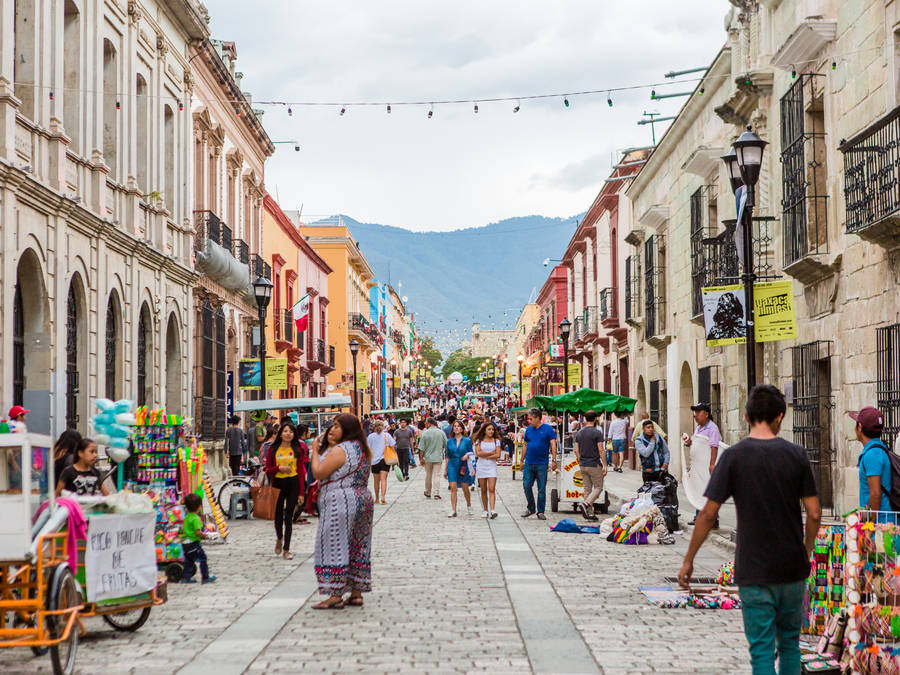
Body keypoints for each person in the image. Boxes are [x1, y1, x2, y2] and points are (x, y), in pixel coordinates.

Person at [678, 384, 821, 675]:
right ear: (780, 417)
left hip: (754, 569)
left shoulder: (735, 457)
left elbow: (707, 514)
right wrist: (805, 551)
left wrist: (689, 559)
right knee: (791, 645)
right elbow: (815, 513)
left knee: (761, 650)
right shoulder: (797, 455)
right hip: (792, 568)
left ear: (746, 417)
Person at [311, 413, 374, 609]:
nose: (332, 429)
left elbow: (319, 472)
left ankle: (335, 594)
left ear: (347, 429)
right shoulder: (361, 448)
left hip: (340, 500)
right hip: (363, 499)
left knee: (334, 545)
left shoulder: (341, 449)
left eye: (337, 426)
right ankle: (356, 593)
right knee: (358, 545)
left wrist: (314, 451)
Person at [265, 421, 305, 560]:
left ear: (294, 435)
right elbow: (267, 469)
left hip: (293, 483)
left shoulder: (297, 450)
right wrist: (278, 468)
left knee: (289, 517)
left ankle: (287, 549)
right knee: (277, 516)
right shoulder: (273, 449)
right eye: (285, 431)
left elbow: (300, 472)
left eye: (291, 432)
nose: (288, 434)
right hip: (278, 483)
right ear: (280, 434)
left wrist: (301, 492)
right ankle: (279, 538)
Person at [685, 402, 722, 526]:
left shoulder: (712, 428)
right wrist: (689, 442)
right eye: (695, 413)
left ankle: (712, 520)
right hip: (697, 467)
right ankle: (698, 516)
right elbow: (698, 444)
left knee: (707, 491)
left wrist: (712, 464)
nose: (695, 415)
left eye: (698, 412)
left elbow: (714, 446)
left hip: (706, 467)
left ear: (706, 414)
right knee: (699, 490)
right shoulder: (698, 428)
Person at [850, 406, 891, 515]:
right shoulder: (879, 449)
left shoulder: (872, 454)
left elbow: (875, 493)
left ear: (859, 427)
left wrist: (870, 523)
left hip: (880, 525)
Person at [521, 409, 557, 520]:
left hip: (542, 463)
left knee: (541, 488)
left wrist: (554, 460)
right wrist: (521, 460)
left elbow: (553, 444)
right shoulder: (528, 430)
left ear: (538, 418)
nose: (529, 421)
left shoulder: (548, 429)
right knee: (526, 486)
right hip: (529, 462)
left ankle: (540, 511)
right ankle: (531, 508)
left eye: (531, 419)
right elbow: (525, 445)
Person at [574, 411, 607, 520]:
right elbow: (601, 450)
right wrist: (605, 465)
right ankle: (586, 504)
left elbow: (576, 450)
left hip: (583, 464)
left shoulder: (579, 433)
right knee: (598, 487)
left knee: (587, 489)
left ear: (585, 419)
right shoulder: (597, 433)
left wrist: (580, 459)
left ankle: (590, 513)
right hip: (594, 463)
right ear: (595, 419)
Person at [181, 492, 216, 584]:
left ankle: (186, 577)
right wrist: (205, 535)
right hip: (193, 543)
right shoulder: (196, 519)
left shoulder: (187, 517)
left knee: (189, 560)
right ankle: (205, 577)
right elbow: (197, 532)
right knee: (203, 558)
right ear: (198, 507)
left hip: (185, 543)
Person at [445, 420, 474, 517]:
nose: (456, 428)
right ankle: (453, 510)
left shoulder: (467, 440)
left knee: (465, 487)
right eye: (455, 426)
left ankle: (469, 505)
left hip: (463, 465)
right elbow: (447, 456)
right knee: (453, 487)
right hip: (452, 465)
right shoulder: (449, 442)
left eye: (458, 426)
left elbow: (472, 453)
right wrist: (445, 470)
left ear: (462, 428)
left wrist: (467, 455)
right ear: (453, 429)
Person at [473, 421, 501, 518]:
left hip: (492, 466)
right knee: (483, 489)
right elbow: (478, 453)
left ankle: (493, 510)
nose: (491, 431)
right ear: (484, 430)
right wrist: (490, 454)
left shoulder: (496, 441)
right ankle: (485, 510)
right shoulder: (479, 441)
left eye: (493, 429)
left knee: (492, 488)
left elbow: (498, 455)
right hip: (481, 466)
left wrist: (486, 454)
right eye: (489, 429)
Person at [366, 420, 394, 505]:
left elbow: (367, 449)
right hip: (385, 460)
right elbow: (393, 447)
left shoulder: (370, 437)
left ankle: (377, 499)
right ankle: (383, 497)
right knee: (383, 479)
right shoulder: (387, 435)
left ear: (374, 427)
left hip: (374, 461)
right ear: (383, 427)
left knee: (376, 481)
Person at [419, 417, 447, 500]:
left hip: (427, 458)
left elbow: (421, 448)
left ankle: (428, 492)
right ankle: (436, 493)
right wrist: (443, 453)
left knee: (428, 475)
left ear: (429, 423)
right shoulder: (441, 433)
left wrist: (421, 458)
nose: (425, 425)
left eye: (426, 423)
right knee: (437, 475)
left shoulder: (425, 433)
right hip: (438, 457)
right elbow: (446, 445)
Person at [634, 419, 669, 484]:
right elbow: (646, 453)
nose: (650, 429)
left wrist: (665, 463)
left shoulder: (659, 437)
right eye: (648, 427)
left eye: (652, 427)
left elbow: (666, 452)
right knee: (649, 493)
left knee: (662, 492)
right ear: (643, 429)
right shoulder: (639, 441)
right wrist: (652, 441)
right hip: (648, 472)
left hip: (661, 470)